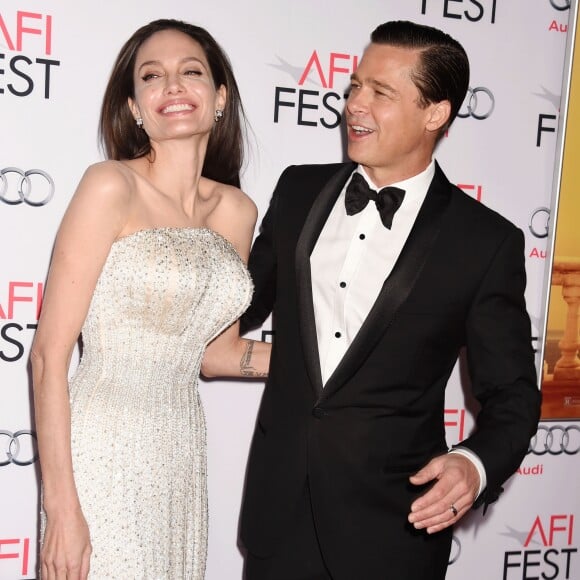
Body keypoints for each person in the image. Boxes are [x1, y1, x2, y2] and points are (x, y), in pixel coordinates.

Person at [239, 20, 541, 580]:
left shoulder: (484, 242)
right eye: (355, 86)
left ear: (436, 114)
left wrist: (474, 465)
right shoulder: (298, 189)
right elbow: (241, 304)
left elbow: (513, 397)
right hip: (278, 519)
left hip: (394, 531)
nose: (355, 104)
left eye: (381, 92)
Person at [30, 18, 269, 580]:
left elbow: (215, 354)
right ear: (135, 107)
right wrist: (62, 508)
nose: (173, 87)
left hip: (180, 453)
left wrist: (321, 363)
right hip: (101, 450)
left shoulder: (237, 212)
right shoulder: (110, 185)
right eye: (152, 76)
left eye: (191, 72)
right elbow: (47, 356)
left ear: (220, 97)